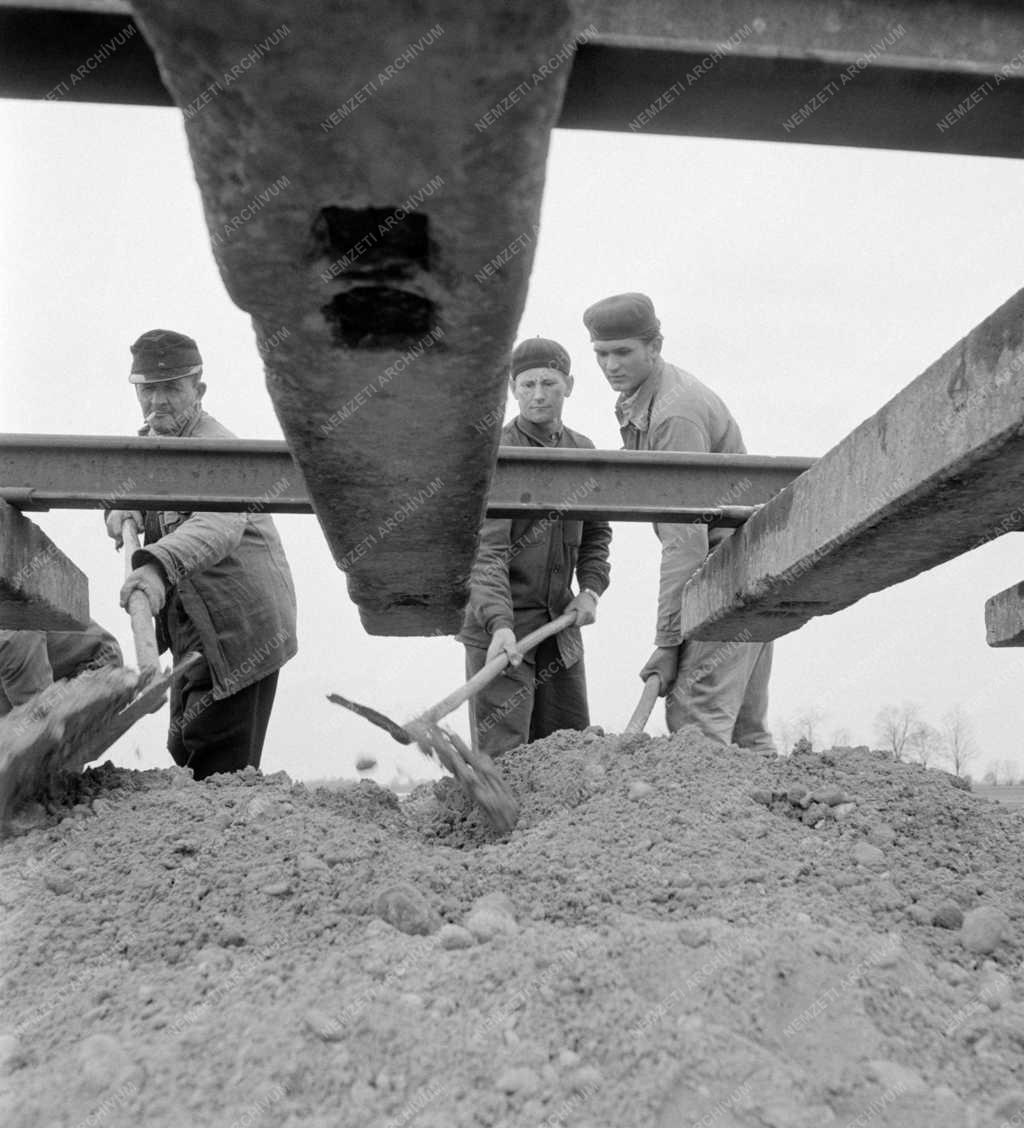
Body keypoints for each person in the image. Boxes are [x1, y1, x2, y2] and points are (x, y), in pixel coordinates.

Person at [583, 293, 776, 753]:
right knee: (746, 732)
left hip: (725, 575)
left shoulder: (674, 413)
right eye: (601, 355)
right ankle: (770, 825)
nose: (611, 365)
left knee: (695, 718)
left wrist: (668, 643)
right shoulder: (644, 400)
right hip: (749, 572)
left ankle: (706, 827)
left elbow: (684, 543)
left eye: (623, 352)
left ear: (655, 346)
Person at [105, 329, 298, 779]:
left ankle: (228, 841)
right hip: (192, 624)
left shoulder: (217, 448)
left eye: (171, 388)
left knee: (216, 760)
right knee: (183, 741)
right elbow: (126, 490)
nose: (158, 402)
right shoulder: (152, 444)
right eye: (147, 389)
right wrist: (121, 505)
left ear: (199, 390)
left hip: (240, 631)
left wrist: (152, 568)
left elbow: (219, 523)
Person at [459, 337, 612, 756]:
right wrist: (499, 624)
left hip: (558, 627)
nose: (538, 394)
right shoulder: (497, 453)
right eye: (527, 385)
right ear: (512, 389)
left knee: (569, 751)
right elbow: (486, 554)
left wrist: (591, 590)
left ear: (570, 386)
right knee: (504, 756)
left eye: (549, 383)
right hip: (502, 632)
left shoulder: (583, 452)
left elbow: (597, 533)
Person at [0, 623, 122, 716]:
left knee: (35, 724)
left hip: (96, 665)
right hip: (43, 675)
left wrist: (35, 720)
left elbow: (16, 638)